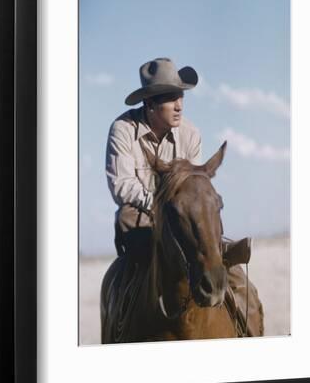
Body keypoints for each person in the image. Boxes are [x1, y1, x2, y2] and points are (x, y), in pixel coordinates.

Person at [105, 57, 263, 336]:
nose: (179, 105)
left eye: (181, 97)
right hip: (139, 214)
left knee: (236, 278)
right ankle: (119, 325)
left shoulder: (190, 134)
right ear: (150, 104)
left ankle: (248, 330)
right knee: (126, 276)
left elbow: (194, 187)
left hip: (181, 216)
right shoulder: (123, 130)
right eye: (170, 99)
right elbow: (121, 184)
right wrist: (159, 202)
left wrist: (178, 208)